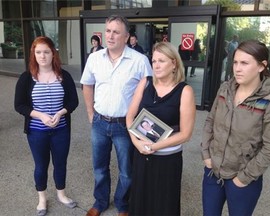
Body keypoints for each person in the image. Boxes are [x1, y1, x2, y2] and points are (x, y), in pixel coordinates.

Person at [201, 40, 270, 216]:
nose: (237, 68)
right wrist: (206, 155)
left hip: (242, 178)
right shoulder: (225, 89)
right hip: (213, 171)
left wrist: (243, 178)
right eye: (235, 62)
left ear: (262, 66)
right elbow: (210, 121)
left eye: (244, 63)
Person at [80, 15, 152, 216]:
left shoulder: (140, 61)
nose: (110, 36)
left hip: (125, 125)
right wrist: (90, 113)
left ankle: (123, 204)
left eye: (116, 32)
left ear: (127, 36)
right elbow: (87, 84)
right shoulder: (95, 58)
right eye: (108, 31)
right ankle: (100, 201)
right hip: (100, 122)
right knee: (99, 168)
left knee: (126, 171)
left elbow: (149, 92)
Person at [126, 41, 196, 216]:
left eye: (161, 61)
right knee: (141, 199)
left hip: (167, 159)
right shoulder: (145, 83)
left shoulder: (184, 91)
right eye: (154, 61)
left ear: (174, 63)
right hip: (141, 154)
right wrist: (136, 142)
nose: (156, 65)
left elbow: (186, 134)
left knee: (163, 203)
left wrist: (153, 147)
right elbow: (129, 116)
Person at [14, 36, 79, 216]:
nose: (42, 56)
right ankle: (42, 199)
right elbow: (19, 104)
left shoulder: (63, 76)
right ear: (33, 54)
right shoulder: (27, 77)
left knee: (60, 163)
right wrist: (40, 115)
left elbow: (73, 101)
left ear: (53, 54)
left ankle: (61, 194)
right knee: (41, 165)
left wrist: (60, 113)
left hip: (61, 130)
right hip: (37, 131)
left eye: (46, 52)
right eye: (38, 52)